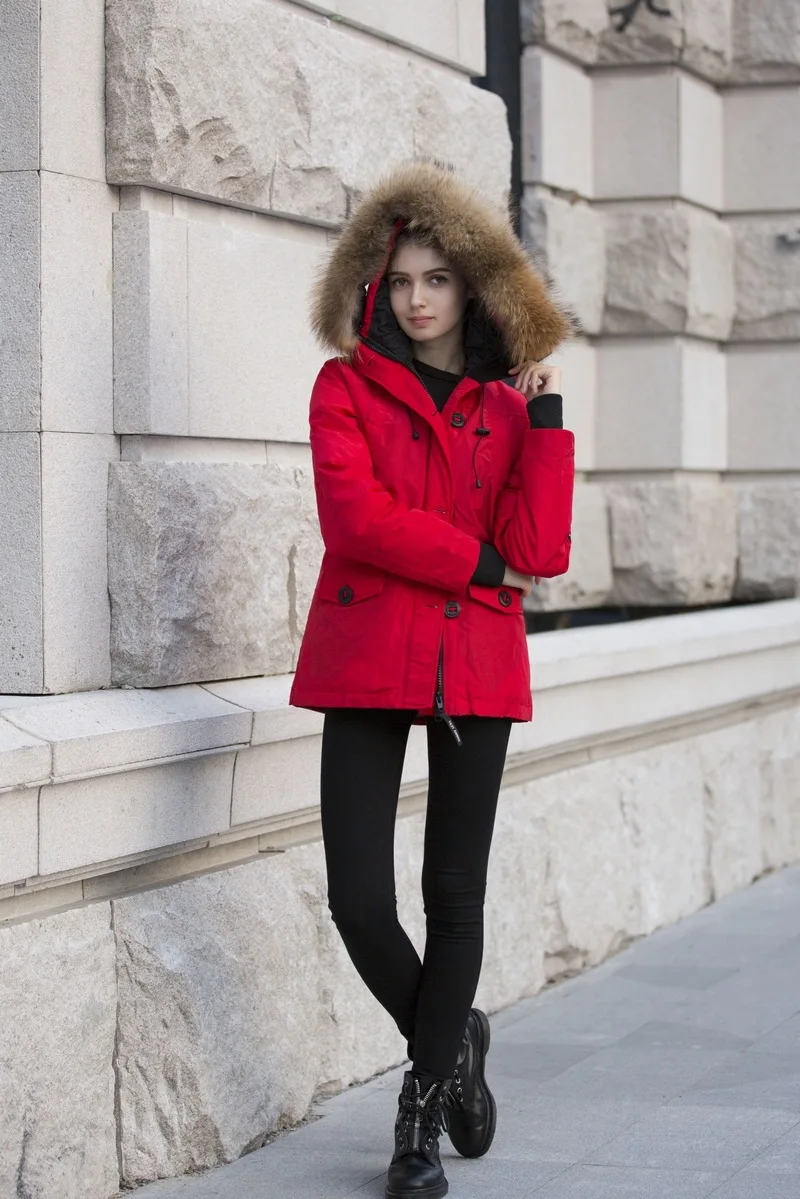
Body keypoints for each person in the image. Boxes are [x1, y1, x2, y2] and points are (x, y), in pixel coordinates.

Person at [289, 161, 575, 1199]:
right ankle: (455, 1038)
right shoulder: (344, 387)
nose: (416, 299)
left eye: (436, 280)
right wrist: (478, 563)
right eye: (400, 280)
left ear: (470, 288)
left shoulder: (509, 408)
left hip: (477, 661)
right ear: (377, 286)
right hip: (367, 654)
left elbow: (540, 551)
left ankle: (418, 1118)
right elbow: (356, 520)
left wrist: (548, 425)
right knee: (359, 901)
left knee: (453, 896)